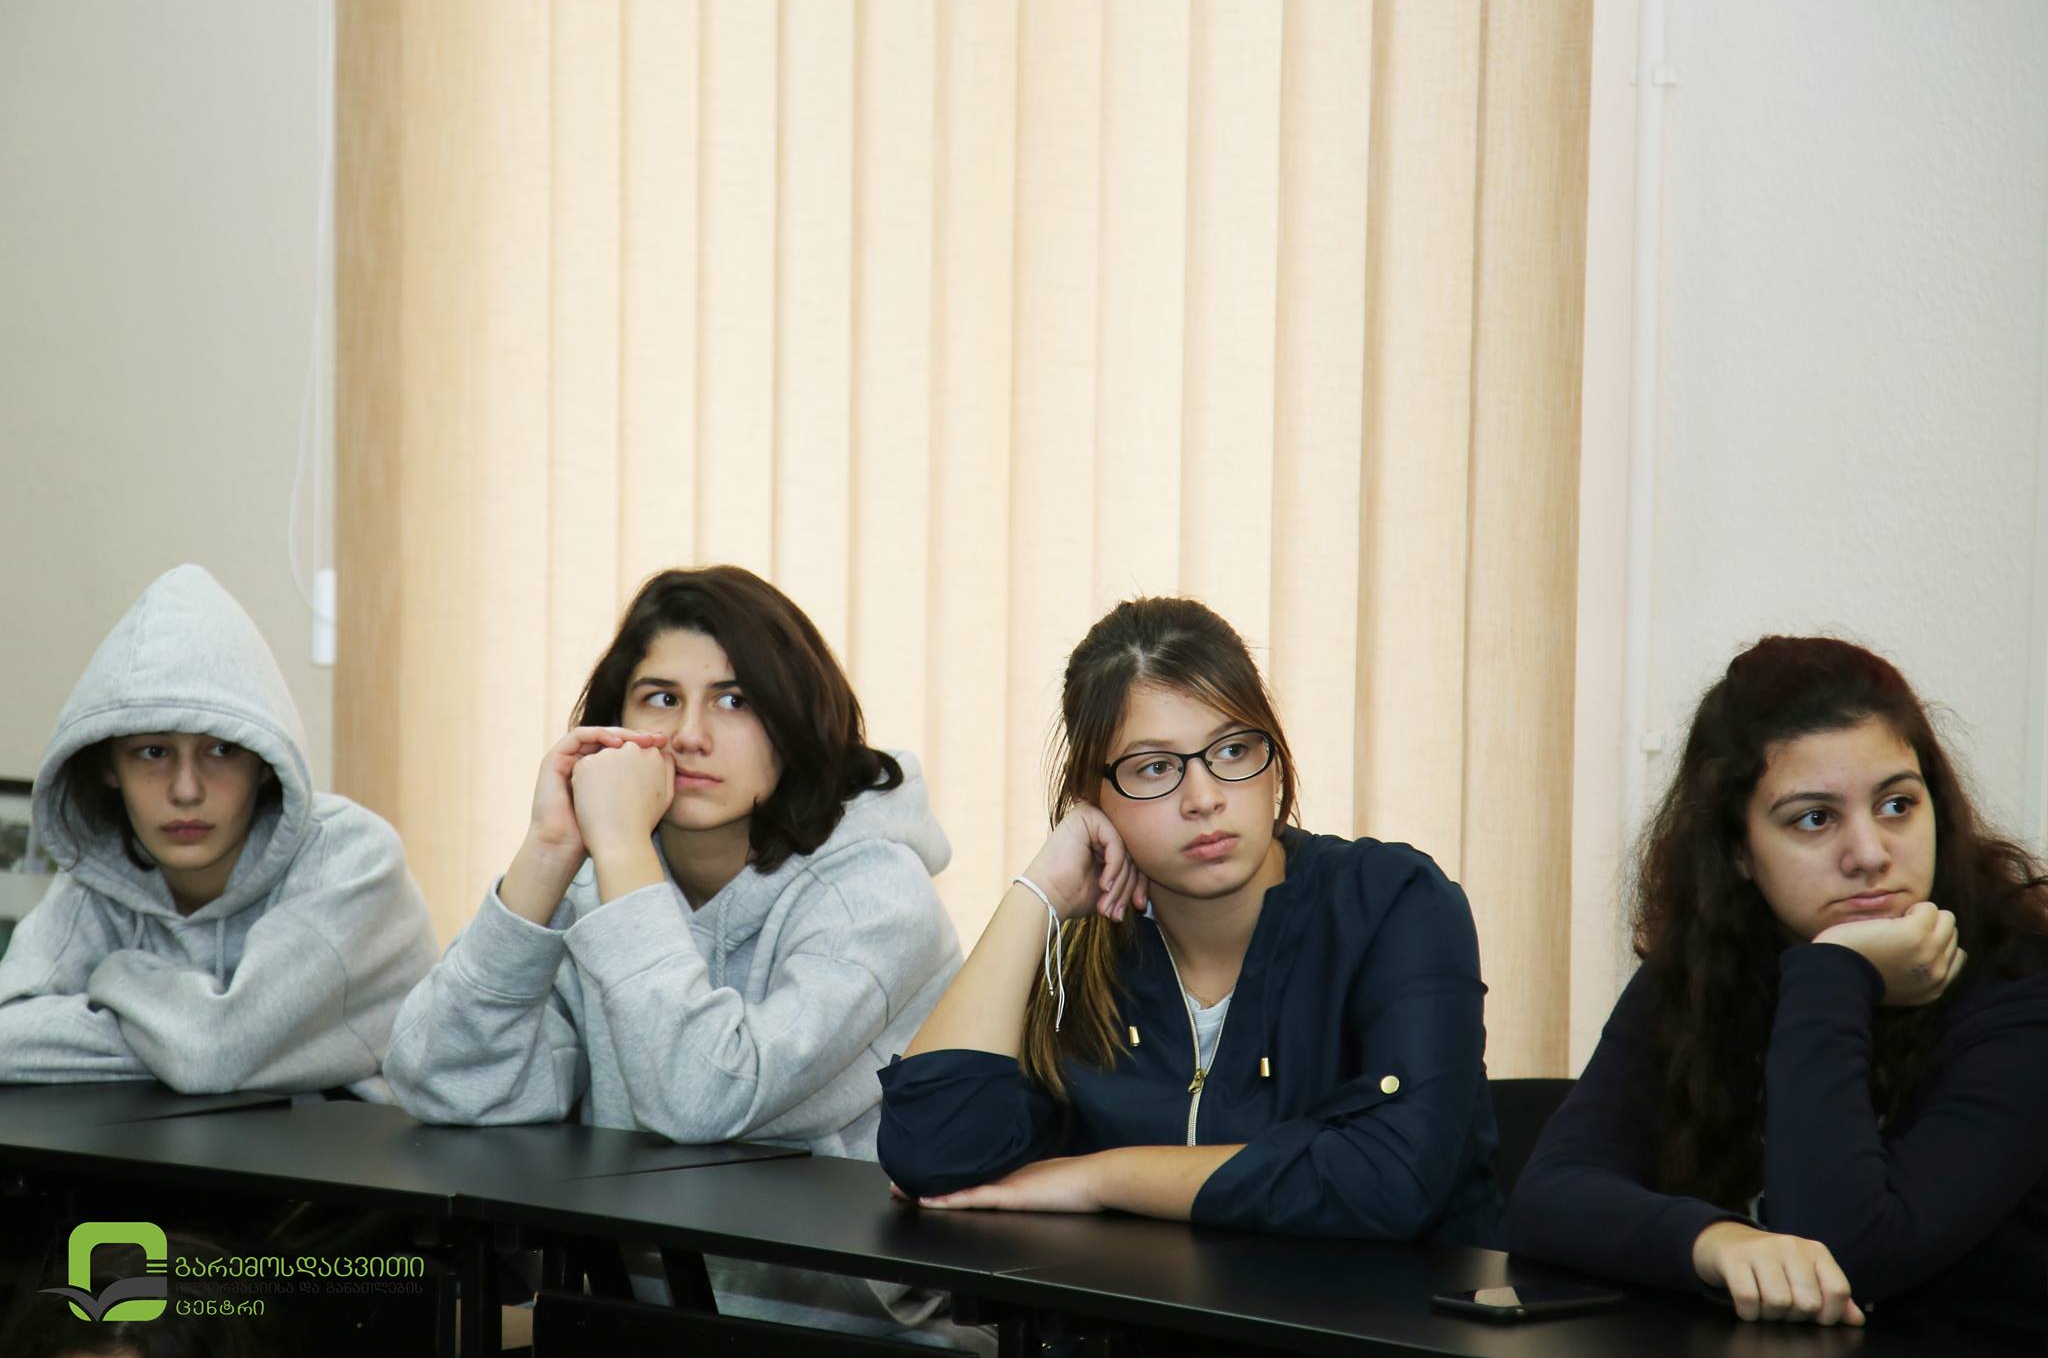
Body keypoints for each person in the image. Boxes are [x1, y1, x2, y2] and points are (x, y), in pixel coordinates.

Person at [383, 565, 970, 1343]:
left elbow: (704, 1096)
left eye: (735, 700)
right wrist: (551, 848)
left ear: (796, 721)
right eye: (661, 698)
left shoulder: (874, 894)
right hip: (630, 1324)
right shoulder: (606, 885)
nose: (691, 734)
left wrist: (621, 849)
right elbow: (439, 1077)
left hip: (849, 1337)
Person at [877, 596, 1501, 1241]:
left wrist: (1100, 1178)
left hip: (1375, 1304)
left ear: (1275, 761)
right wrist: (1036, 895)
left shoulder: (1393, 902)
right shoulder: (1081, 952)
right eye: (1154, 768)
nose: (1204, 798)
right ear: (1090, 796)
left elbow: (1392, 1178)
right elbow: (932, 1156)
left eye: (1232, 751)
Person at [1507, 636, 2048, 1341]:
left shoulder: (2022, 985)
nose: (1870, 854)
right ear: (1738, 850)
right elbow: (1549, 1196)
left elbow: (1850, 1253)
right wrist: (1717, 1242)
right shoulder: (1705, 970)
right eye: (1814, 818)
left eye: (1897, 805)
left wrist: (1834, 974)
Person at [0, 564, 436, 1093]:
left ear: (264, 764)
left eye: (222, 750)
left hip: (349, 1144)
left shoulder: (350, 861)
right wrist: (176, 1036)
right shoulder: (99, 873)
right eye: (152, 752)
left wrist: (117, 974)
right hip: (163, 1146)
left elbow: (214, 1053)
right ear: (109, 768)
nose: (186, 790)